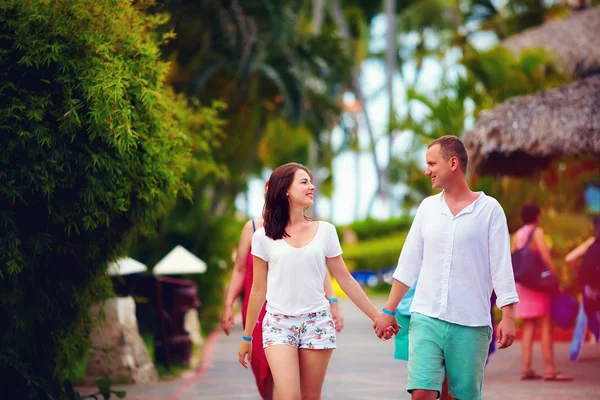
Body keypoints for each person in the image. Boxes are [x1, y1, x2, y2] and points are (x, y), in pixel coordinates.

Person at [373, 135, 519, 400]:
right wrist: (387, 311)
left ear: (453, 163)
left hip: (471, 321)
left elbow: (502, 267)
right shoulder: (427, 208)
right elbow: (408, 264)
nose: (427, 170)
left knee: (460, 396)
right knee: (422, 392)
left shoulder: (490, 210)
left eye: (432, 163)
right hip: (426, 316)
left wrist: (507, 317)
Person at [238, 162, 397, 400]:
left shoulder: (326, 231)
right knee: (289, 396)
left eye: (311, 181)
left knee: (310, 397)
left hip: (317, 324)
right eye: (304, 182)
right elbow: (258, 289)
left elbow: (345, 280)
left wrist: (378, 316)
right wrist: (247, 337)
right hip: (278, 324)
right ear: (286, 190)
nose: (312, 187)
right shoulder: (262, 236)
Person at [222, 206, 344, 400]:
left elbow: (319, 268)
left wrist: (334, 302)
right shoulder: (254, 229)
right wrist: (228, 304)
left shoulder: (316, 230)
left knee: (300, 388)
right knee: (265, 368)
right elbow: (240, 270)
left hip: (305, 311)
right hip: (261, 309)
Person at [511, 204, 572, 382]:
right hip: (538, 284)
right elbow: (545, 256)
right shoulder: (537, 232)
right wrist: (554, 277)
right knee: (546, 323)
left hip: (522, 284)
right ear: (537, 216)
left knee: (529, 325)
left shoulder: (517, 235)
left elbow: (514, 258)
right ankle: (550, 369)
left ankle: (527, 368)